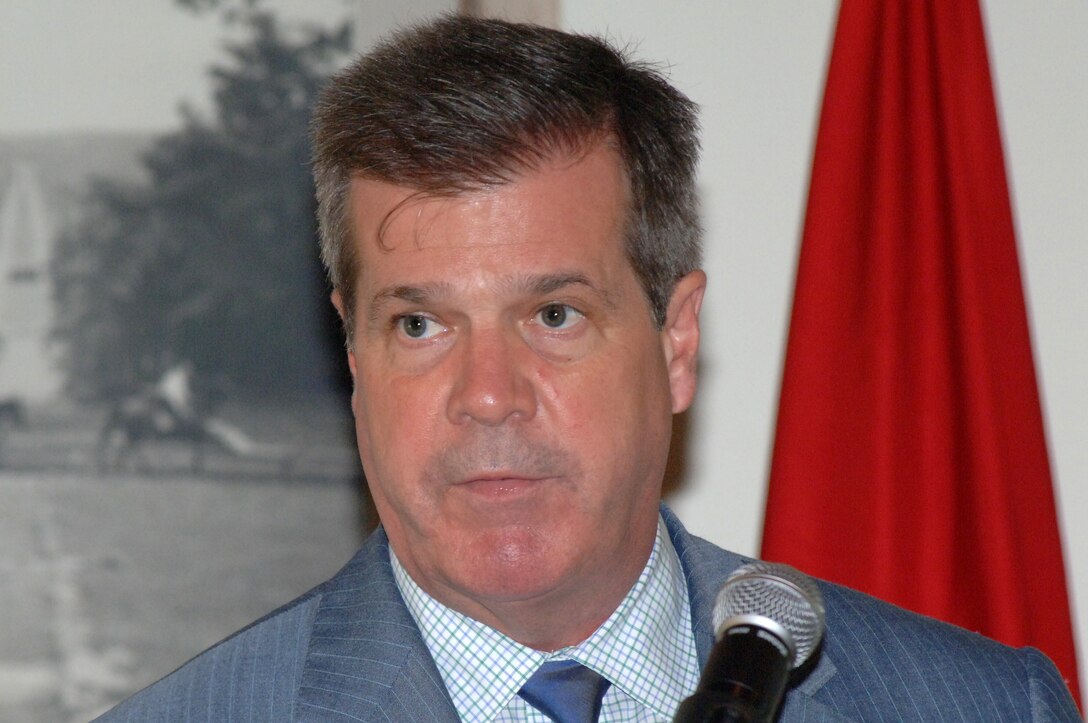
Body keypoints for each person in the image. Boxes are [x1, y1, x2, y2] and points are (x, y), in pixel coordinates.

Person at [97, 15, 1080, 722]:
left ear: (674, 341)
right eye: (419, 326)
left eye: (552, 314)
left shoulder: (990, 708)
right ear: (354, 354)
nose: (486, 395)